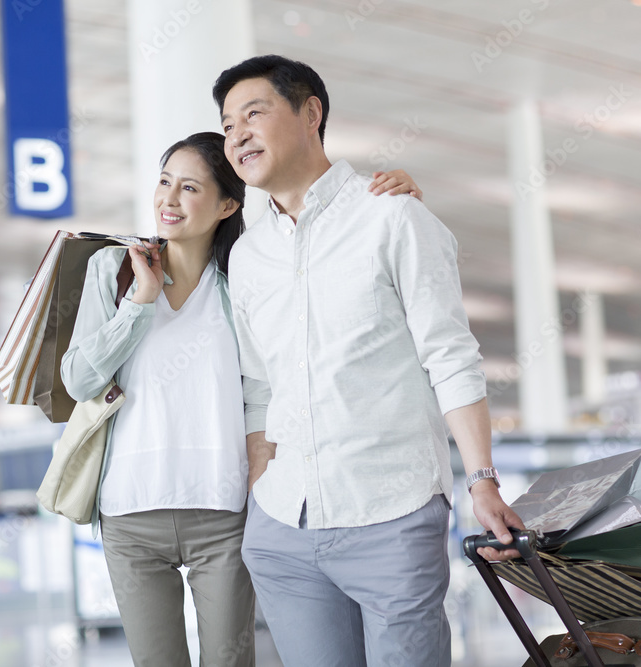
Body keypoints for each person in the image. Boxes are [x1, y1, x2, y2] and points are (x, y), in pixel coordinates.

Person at [59, 131, 424, 666]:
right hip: (129, 514)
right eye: (164, 182)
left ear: (228, 203)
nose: (168, 199)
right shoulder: (111, 271)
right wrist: (139, 301)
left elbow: (277, 374)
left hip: (223, 511)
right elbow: (79, 380)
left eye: (189, 188)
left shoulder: (246, 276)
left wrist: (398, 198)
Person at [214, 55, 525, 667]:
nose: (238, 135)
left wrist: (481, 480)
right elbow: (258, 386)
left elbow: (451, 356)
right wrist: (259, 489)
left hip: (391, 511)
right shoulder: (248, 259)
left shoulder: (394, 216)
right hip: (281, 526)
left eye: (254, 114)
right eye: (227, 126)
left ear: (311, 114)